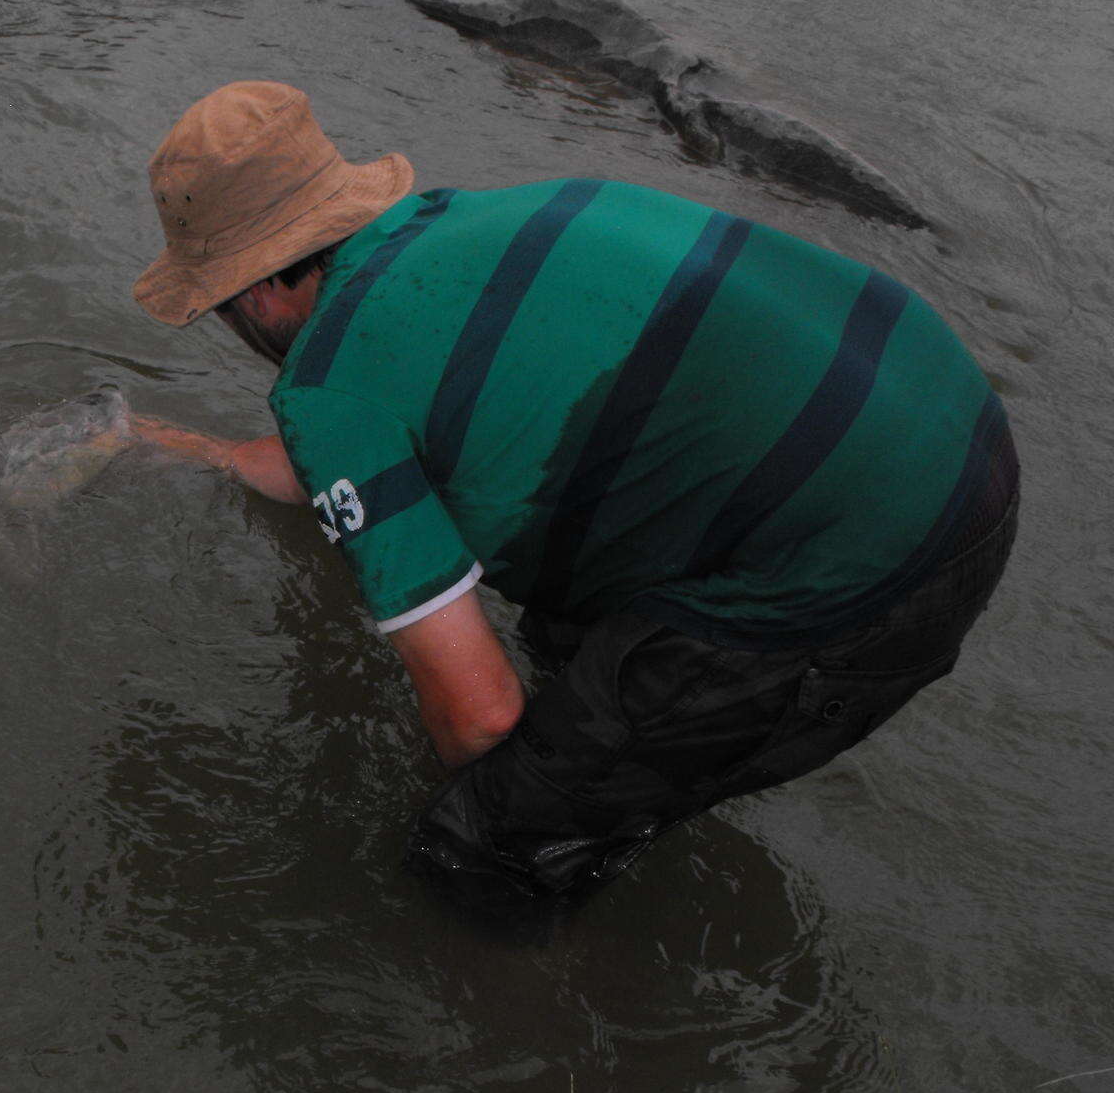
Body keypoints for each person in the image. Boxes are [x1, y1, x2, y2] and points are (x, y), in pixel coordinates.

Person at [129, 81, 1017, 902]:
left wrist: (460, 773)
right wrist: (184, 451)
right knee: (563, 639)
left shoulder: (325, 388)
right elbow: (354, 463)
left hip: (876, 568)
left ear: (255, 295)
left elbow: (478, 715)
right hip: (953, 424)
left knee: (475, 847)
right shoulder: (493, 219)